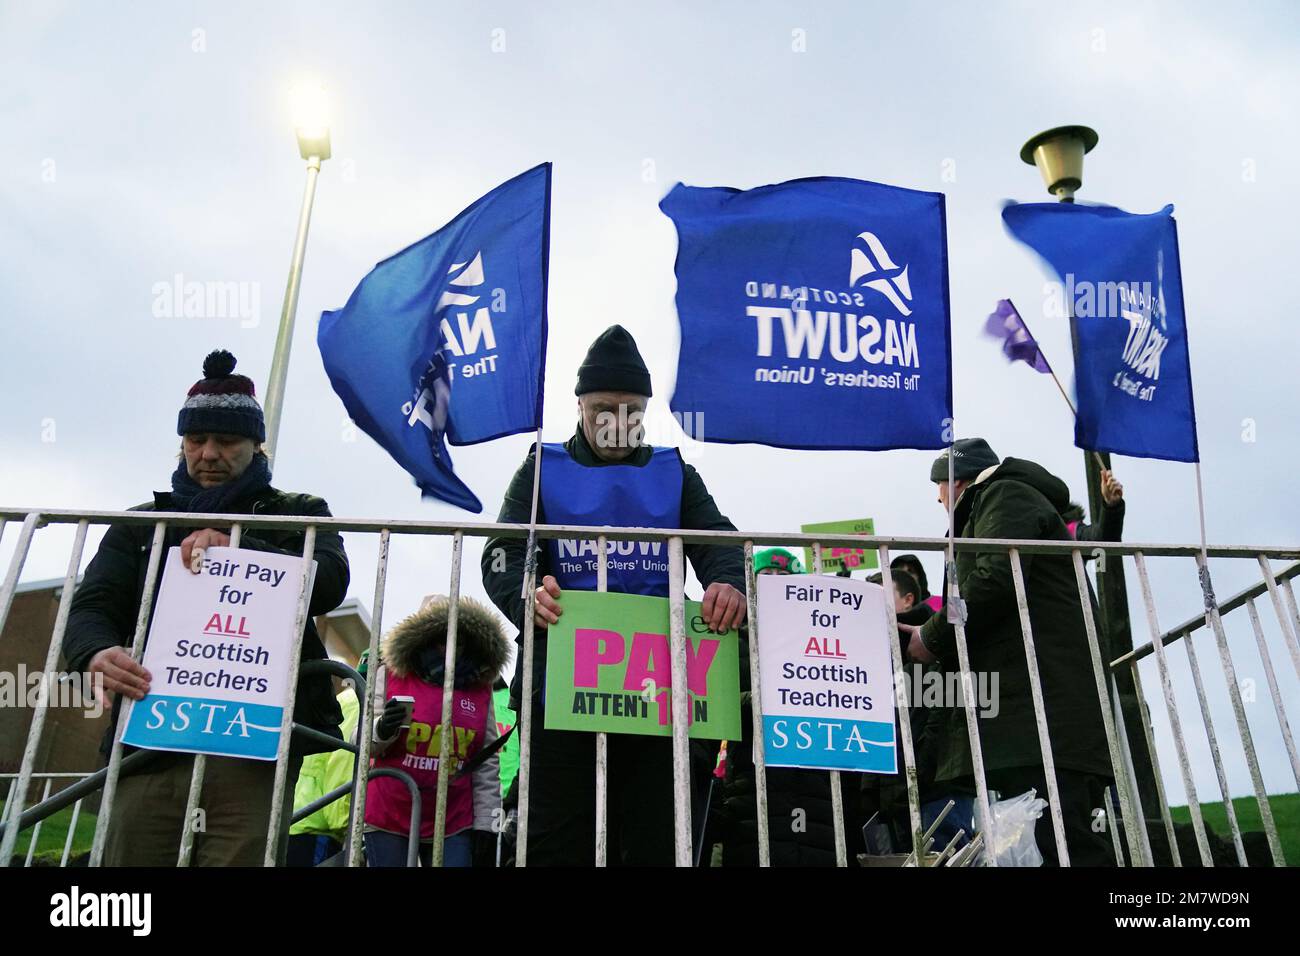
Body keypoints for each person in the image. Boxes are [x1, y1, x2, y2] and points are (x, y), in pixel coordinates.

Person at [63, 349, 350, 866]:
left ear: (257, 444)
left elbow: (330, 581)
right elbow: (91, 605)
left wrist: (243, 550)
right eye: (196, 440)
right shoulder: (141, 522)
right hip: (149, 746)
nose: (209, 453)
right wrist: (95, 653)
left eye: (227, 440)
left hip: (253, 749)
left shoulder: (302, 512)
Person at [480, 324, 747, 865]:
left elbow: (721, 545)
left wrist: (728, 583)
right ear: (579, 404)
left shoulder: (676, 474)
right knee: (557, 840)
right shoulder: (540, 468)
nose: (617, 422)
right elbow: (501, 552)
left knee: (657, 839)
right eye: (603, 407)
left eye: (631, 410)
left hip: (662, 695)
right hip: (561, 690)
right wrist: (526, 592)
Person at [899, 438, 1115, 866]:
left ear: (955, 480)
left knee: (1066, 841)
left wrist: (929, 638)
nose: (937, 498)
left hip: (1045, 714)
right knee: (1045, 842)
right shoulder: (993, 505)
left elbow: (992, 580)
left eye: (938, 486)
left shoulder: (1004, 493)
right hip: (1032, 717)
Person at [364, 594, 509, 867]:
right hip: (390, 814)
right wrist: (382, 729)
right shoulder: (392, 674)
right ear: (423, 637)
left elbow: (486, 760)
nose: (450, 644)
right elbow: (359, 744)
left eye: (457, 636)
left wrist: (487, 823)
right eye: (440, 635)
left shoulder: (480, 686)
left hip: (453, 819)